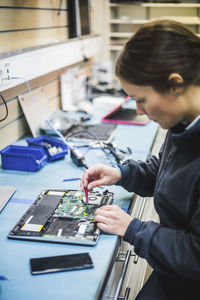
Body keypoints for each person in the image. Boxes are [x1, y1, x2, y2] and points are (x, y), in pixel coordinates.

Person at [81, 19, 200, 299]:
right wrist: (122, 174)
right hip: (175, 270)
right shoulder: (184, 120)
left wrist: (133, 228)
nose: (139, 110)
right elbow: (169, 168)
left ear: (175, 85)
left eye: (142, 98)